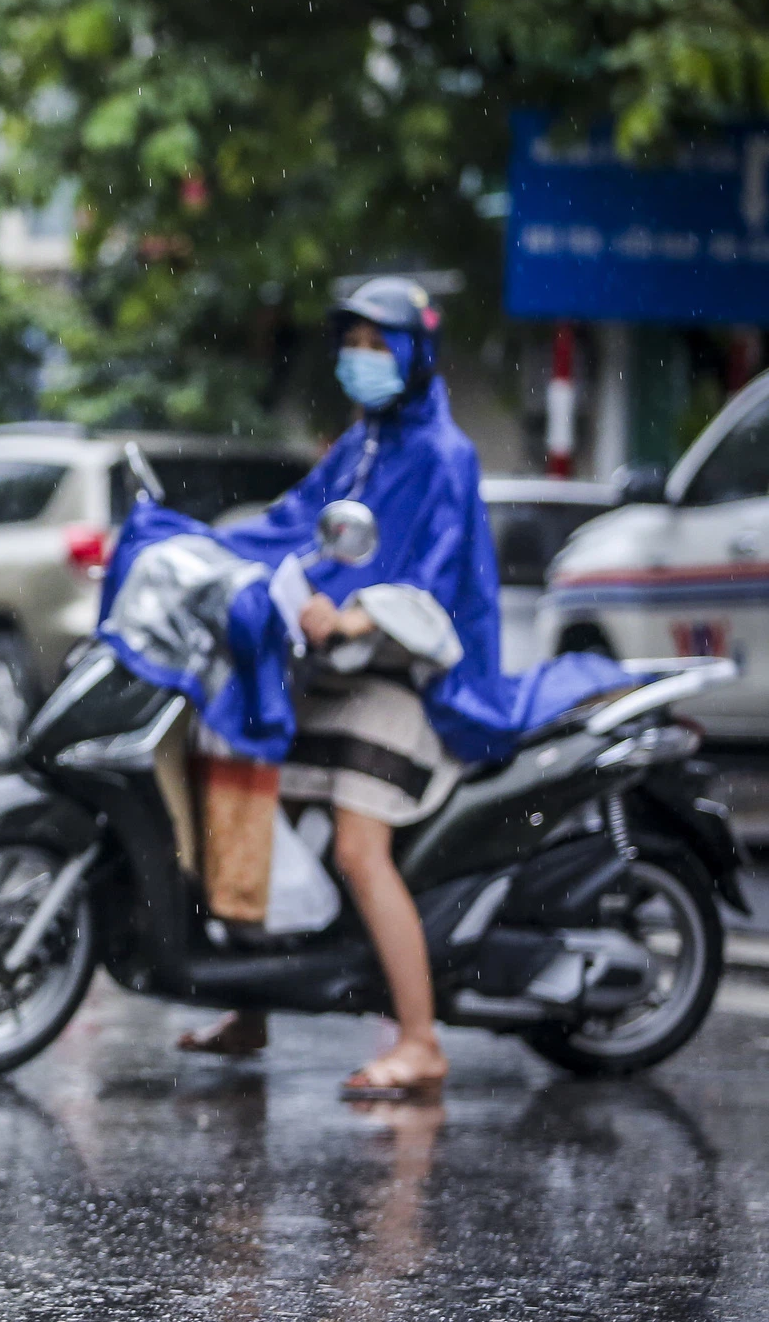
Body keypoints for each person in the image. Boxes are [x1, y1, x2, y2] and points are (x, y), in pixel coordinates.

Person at [175, 278, 482, 1099]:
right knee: (246, 797)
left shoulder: (444, 454)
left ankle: (420, 1040)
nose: (362, 359)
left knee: (356, 846)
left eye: (381, 345)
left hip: (407, 681)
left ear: (417, 354)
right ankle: (252, 1007)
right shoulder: (363, 442)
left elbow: (433, 580)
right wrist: (202, 550)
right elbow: (297, 521)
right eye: (354, 342)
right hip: (337, 676)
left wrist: (352, 617)